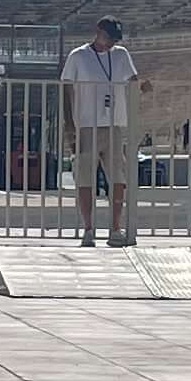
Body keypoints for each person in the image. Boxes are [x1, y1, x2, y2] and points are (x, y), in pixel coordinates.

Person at [61, 13, 136, 247]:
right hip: (87, 124)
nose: (112, 42)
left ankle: (115, 227)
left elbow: (133, 79)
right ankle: (88, 228)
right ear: (98, 32)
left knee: (118, 178)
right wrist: (69, 125)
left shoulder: (121, 55)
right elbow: (66, 88)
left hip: (113, 123)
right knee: (85, 178)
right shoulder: (79, 56)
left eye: (115, 39)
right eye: (108, 37)